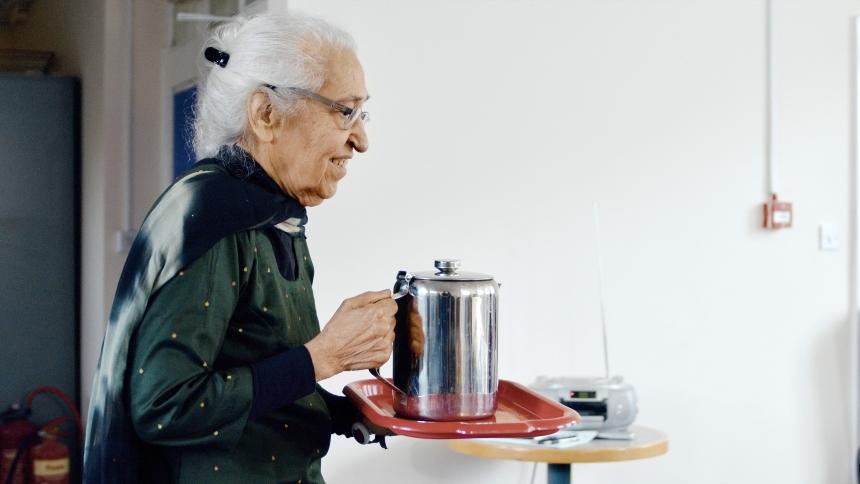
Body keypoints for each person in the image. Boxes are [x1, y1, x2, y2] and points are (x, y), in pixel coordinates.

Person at [83, 13, 396, 484]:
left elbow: (253, 371)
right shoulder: (218, 216)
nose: (361, 139)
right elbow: (165, 406)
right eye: (344, 111)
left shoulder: (272, 213)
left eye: (361, 112)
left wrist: (348, 412)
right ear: (266, 114)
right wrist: (324, 356)